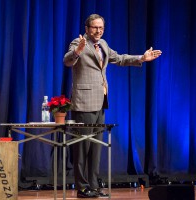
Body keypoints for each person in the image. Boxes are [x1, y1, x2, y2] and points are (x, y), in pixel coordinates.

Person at [63, 14, 162, 198]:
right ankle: (82, 187)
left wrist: (142, 57)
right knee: (82, 148)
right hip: (83, 103)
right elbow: (67, 61)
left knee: (96, 148)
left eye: (101, 27)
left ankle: (93, 185)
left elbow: (120, 58)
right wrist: (77, 51)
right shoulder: (78, 42)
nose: (98, 31)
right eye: (94, 27)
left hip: (101, 102)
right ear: (87, 28)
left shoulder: (104, 45)